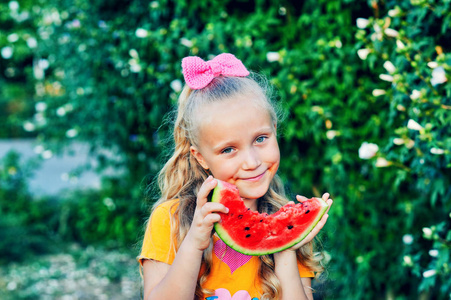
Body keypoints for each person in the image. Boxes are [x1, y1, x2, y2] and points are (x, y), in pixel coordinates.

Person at [137, 53, 333, 300]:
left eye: (261, 139)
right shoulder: (170, 221)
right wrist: (194, 243)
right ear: (201, 158)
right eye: (228, 150)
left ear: (275, 130)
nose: (252, 162)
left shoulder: (289, 226)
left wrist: (284, 249)